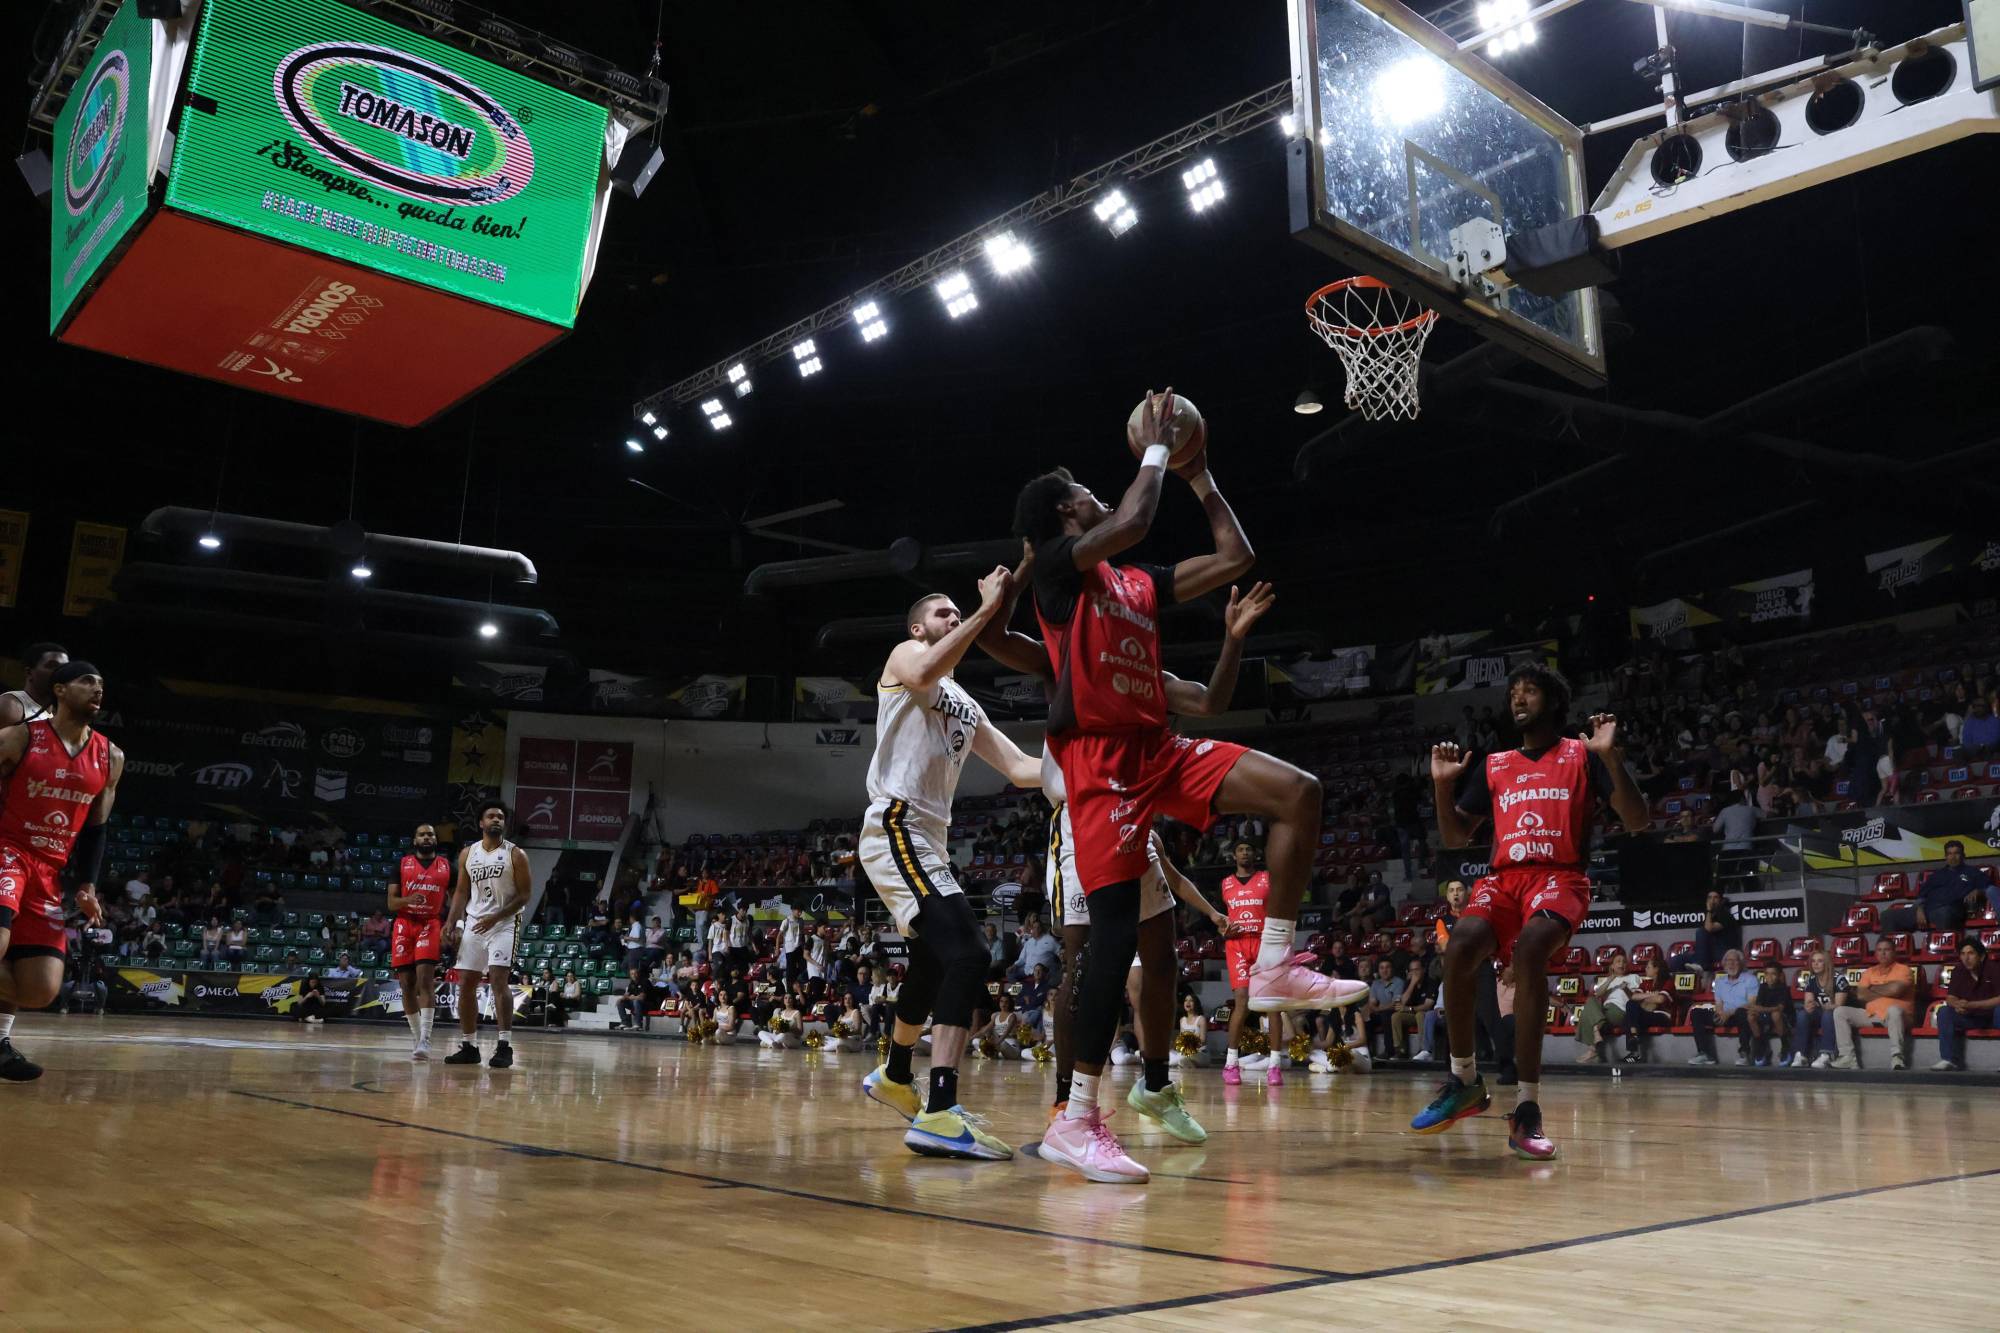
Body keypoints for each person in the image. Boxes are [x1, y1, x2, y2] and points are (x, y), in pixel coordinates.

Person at [1008, 404, 1365, 1182]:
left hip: (1158, 747)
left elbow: (1236, 555)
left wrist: (1200, 473)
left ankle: (1270, 965)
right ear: (1066, 512)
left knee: (1299, 792)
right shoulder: (1060, 568)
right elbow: (1133, 518)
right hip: (1100, 766)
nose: (1099, 493)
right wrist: (1160, 446)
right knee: (1111, 944)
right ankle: (1077, 1118)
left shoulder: (1136, 581)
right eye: (1084, 490)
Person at [978, 565, 1266, 1134]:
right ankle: (1067, 1103)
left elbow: (1211, 699)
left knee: (1162, 959)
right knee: (1086, 967)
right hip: (1081, 820)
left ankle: (1156, 1085)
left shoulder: (1138, 670)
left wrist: (1233, 639)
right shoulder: (1059, 656)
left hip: (1139, 818)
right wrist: (1021, 574)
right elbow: (998, 639)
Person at [1412, 664, 1650, 1160]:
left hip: (1560, 875)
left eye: (1530, 691)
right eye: (1514, 693)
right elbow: (1457, 837)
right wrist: (1441, 786)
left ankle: (1527, 1109)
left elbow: (1637, 820)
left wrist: (1611, 760)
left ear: (1555, 700)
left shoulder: (1582, 755)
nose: (1519, 699)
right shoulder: (1495, 763)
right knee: (1458, 947)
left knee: (1530, 946)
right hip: (1504, 879)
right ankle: (1464, 1080)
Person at [855, 567, 1043, 1163]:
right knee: (969, 952)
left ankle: (893, 1075)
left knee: (936, 959)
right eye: (944, 614)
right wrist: (990, 611)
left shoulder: (964, 701)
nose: (954, 619)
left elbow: (1020, 768)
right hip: (896, 823)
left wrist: (1083, 759)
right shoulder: (907, 656)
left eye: (958, 615)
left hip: (930, 837)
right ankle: (939, 1110)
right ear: (918, 626)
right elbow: (922, 670)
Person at [0, 661, 120, 1081]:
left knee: (40, 988)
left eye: (101, 682)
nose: (97, 688)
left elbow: (97, 829)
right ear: (61, 690)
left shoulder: (110, 755)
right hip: (7, 851)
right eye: (88, 680)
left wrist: (87, 886)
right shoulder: (20, 736)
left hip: (50, 870)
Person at [442, 803, 531, 1069]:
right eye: (491, 816)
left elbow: (525, 895)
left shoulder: (516, 854)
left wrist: (495, 917)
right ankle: (469, 1046)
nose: (497, 820)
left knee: (498, 980)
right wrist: (451, 921)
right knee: (465, 983)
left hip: (504, 924)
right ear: (481, 823)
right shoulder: (468, 853)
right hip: (474, 923)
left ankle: (504, 1046)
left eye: (501, 817)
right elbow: (460, 892)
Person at [388, 822, 453, 1062]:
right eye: (422, 834)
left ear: (436, 840)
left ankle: (426, 1037)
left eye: (431, 834)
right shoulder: (401, 864)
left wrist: (454, 924)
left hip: (431, 923)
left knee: (425, 979)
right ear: (415, 840)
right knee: (406, 983)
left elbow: (457, 899)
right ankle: (416, 1037)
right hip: (405, 923)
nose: (427, 837)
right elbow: (391, 904)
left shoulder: (447, 866)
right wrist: (408, 899)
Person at [1832, 936, 1914, 1070]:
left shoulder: (1903, 970)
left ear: (1894, 952)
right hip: (1872, 1015)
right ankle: (1847, 1057)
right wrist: (1886, 989)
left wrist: (1872, 989)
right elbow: (1861, 994)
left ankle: (1897, 1057)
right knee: (1840, 1012)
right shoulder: (1869, 972)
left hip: (1898, 1017)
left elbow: (1896, 990)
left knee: (1894, 1010)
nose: (1883, 953)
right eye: (1879, 950)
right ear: (1875, 953)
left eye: (1887, 950)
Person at [1882, 842, 1989, 933]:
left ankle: (1947, 950)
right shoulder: (1936, 875)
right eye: (1949, 854)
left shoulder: (1972, 872)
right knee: (1888, 915)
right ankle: (1889, 951)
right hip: (1927, 910)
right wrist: (1919, 909)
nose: (1953, 857)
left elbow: (1988, 887)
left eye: (1956, 853)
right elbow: (1921, 896)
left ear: (1963, 855)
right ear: (1945, 857)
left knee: (1944, 913)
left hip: (1951, 910)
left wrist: (1977, 891)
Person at [1933, 937, 2000, 1070]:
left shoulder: (1994, 968)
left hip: (1992, 1016)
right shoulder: (1958, 970)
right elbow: (1950, 997)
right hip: (1971, 1017)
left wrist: (1972, 1005)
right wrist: (1957, 1004)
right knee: (1944, 1012)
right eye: (1963, 954)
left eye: (1970, 953)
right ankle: (1948, 1060)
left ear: (1981, 956)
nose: (1966, 958)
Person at [1689, 949, 1758, 1066]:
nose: (1731, 964)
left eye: (1734, 961)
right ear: (1724, 964)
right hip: (1725, 1015)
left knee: (1743, 1012)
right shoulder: (1720, 982)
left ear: (1741, 963)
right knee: (1696, 1012)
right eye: (1728, 961)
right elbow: (1719, 1003)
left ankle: (1744, 1053)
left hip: (1740, 1015)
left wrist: (1729, 1013)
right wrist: (1720, 1013)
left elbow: (1751, 1004)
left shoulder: (1751, 980)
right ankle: (1704, 1054)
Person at [1574, 951, 1641, 1064]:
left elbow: (1637, 995)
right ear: (1612, 966)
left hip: (1620, 1010)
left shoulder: (1633, 977)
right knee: (1591, 1000)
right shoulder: (1607, 980)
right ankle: (1596, 1034)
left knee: (1588, 1015)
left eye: (1624, 962)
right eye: (1618, 962)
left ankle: (1592, 1049)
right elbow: (1598, 994)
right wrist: (1611, 979)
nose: (1622, 964)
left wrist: (1625, 988)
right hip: (1604, 1011)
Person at [1790, 948, 1848, 1068]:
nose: (1815, 964)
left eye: (1820, 961)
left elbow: (1839, 1005)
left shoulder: (1839, 979)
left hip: (1837, 1014)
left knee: (1828, 1013)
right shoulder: (1811, 979)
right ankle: (1801, 1055)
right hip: (1820, 1012)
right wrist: (1809, 1006)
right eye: (1813, 961)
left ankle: (1826, 1054)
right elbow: (1809, 1002)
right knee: (1803, 1014)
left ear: (1826, 963)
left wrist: (1821, 1006)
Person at [0, 643, 65, 727]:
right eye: (52, 666)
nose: (60, 672)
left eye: (64, 668)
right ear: (29, 672)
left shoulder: (58, 713)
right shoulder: (10, 705)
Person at [1743, 964, 1793, 1067]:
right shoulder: (1763, 987)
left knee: (1775, 1014)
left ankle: (1785, 1046)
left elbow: (1779, 1008)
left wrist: (1762, 1009)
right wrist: (1756, 1009)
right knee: (1751, 1016)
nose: (1769, 977)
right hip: (1766, 1016)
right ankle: (1760, 1046)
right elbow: (1759, 1006)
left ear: (1779, 975)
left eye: (1773, 974)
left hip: (1784, 1018)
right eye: (1767, 974)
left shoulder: (1783, 988)